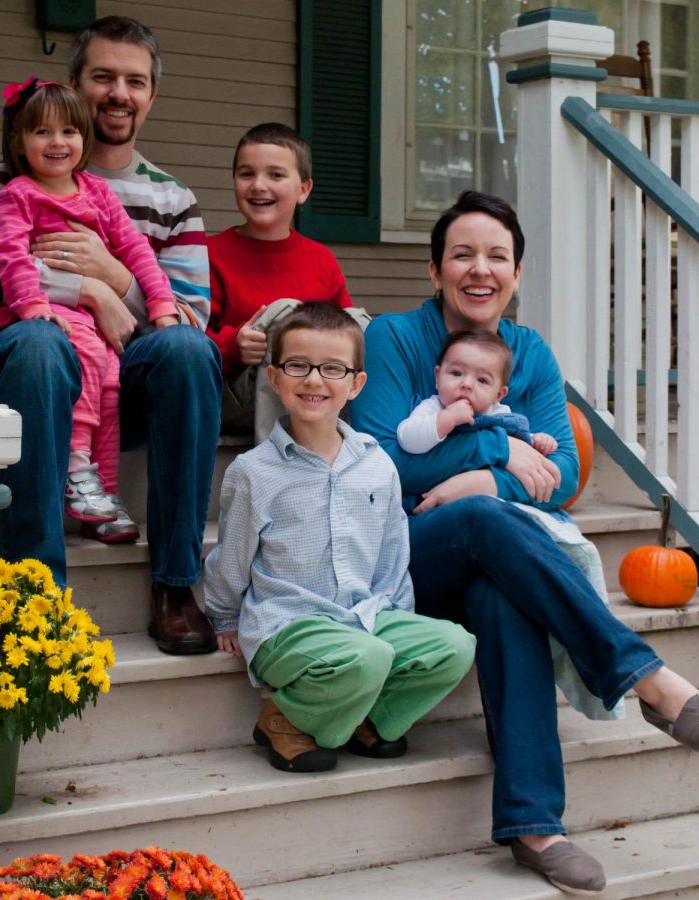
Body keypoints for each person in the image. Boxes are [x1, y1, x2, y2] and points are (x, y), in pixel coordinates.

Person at [350, 190, 699, 895]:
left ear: (516, 274)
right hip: (406, 550)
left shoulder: (529, 353)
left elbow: (564, 475)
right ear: (434, 270)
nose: (480, 269)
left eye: (497, 257)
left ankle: (535, 826)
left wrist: (478, 483)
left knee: (502, 591)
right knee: (486, 522)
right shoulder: (391, 338)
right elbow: (386, 462)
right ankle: (650, 681)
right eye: (463, 255)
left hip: (486, 550)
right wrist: (500, 458)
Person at [0, 16, 221, 655]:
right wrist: (85, 291)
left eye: (135, 81)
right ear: (75, 83)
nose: (118, 93)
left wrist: (114, 276)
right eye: (103, 77)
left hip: (129, 368)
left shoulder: (171, 198)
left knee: (187, 350)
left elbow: (191, 313)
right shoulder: (18, 172)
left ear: (151, 95)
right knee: (41, 343)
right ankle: (34, 597)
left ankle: (176, 585)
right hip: (38, 356)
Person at [203, 302, 476, 773]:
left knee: (455, 645)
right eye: (298, 366)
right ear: (274, 376)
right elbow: (234, 555)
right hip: (288, 624)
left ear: (356, 384)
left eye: (333, 368)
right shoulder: (254, 473)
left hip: (367, 618)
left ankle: (369, 715)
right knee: (366, 658)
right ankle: (285, 719)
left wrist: (399, 625)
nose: (314, 380)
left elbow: (393, 558)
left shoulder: (376, 464)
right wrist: (224, 617)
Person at [0, 78, 179, 538]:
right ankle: (75, 467)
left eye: (69, 131)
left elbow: (135, 250)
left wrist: (162, 303)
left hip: (87, 321)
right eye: (42, 132)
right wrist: (30, 305)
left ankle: (100, 497)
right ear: (19, 142)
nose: (57, 142)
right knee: (87, 350)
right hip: (34, 316)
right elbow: (9, 255)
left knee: (109, 384)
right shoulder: (16, 195)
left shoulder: (98, 193)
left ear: (84, 138)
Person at [206, 122, 364, 443]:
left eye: (275, 175)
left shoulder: (321, 260)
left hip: (315, 389)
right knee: (287, 316)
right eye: (246, 174)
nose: (258, 185)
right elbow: (192, 342)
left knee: (359, 324)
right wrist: (233, 344)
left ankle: (355, 453)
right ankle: (277, 461)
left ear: (303, 189)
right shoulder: (212, 254)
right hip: (242, 393)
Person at [396, 329, 558, 467]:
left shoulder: (500, 415)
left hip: (490, 494)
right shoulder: (433, 408)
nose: (466, 384)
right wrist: (447, 419)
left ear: (498, 395)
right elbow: (407, 439)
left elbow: (519, 448)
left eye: (482, 380)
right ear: (437, 377)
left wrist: (536, 441)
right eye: (456, 373)